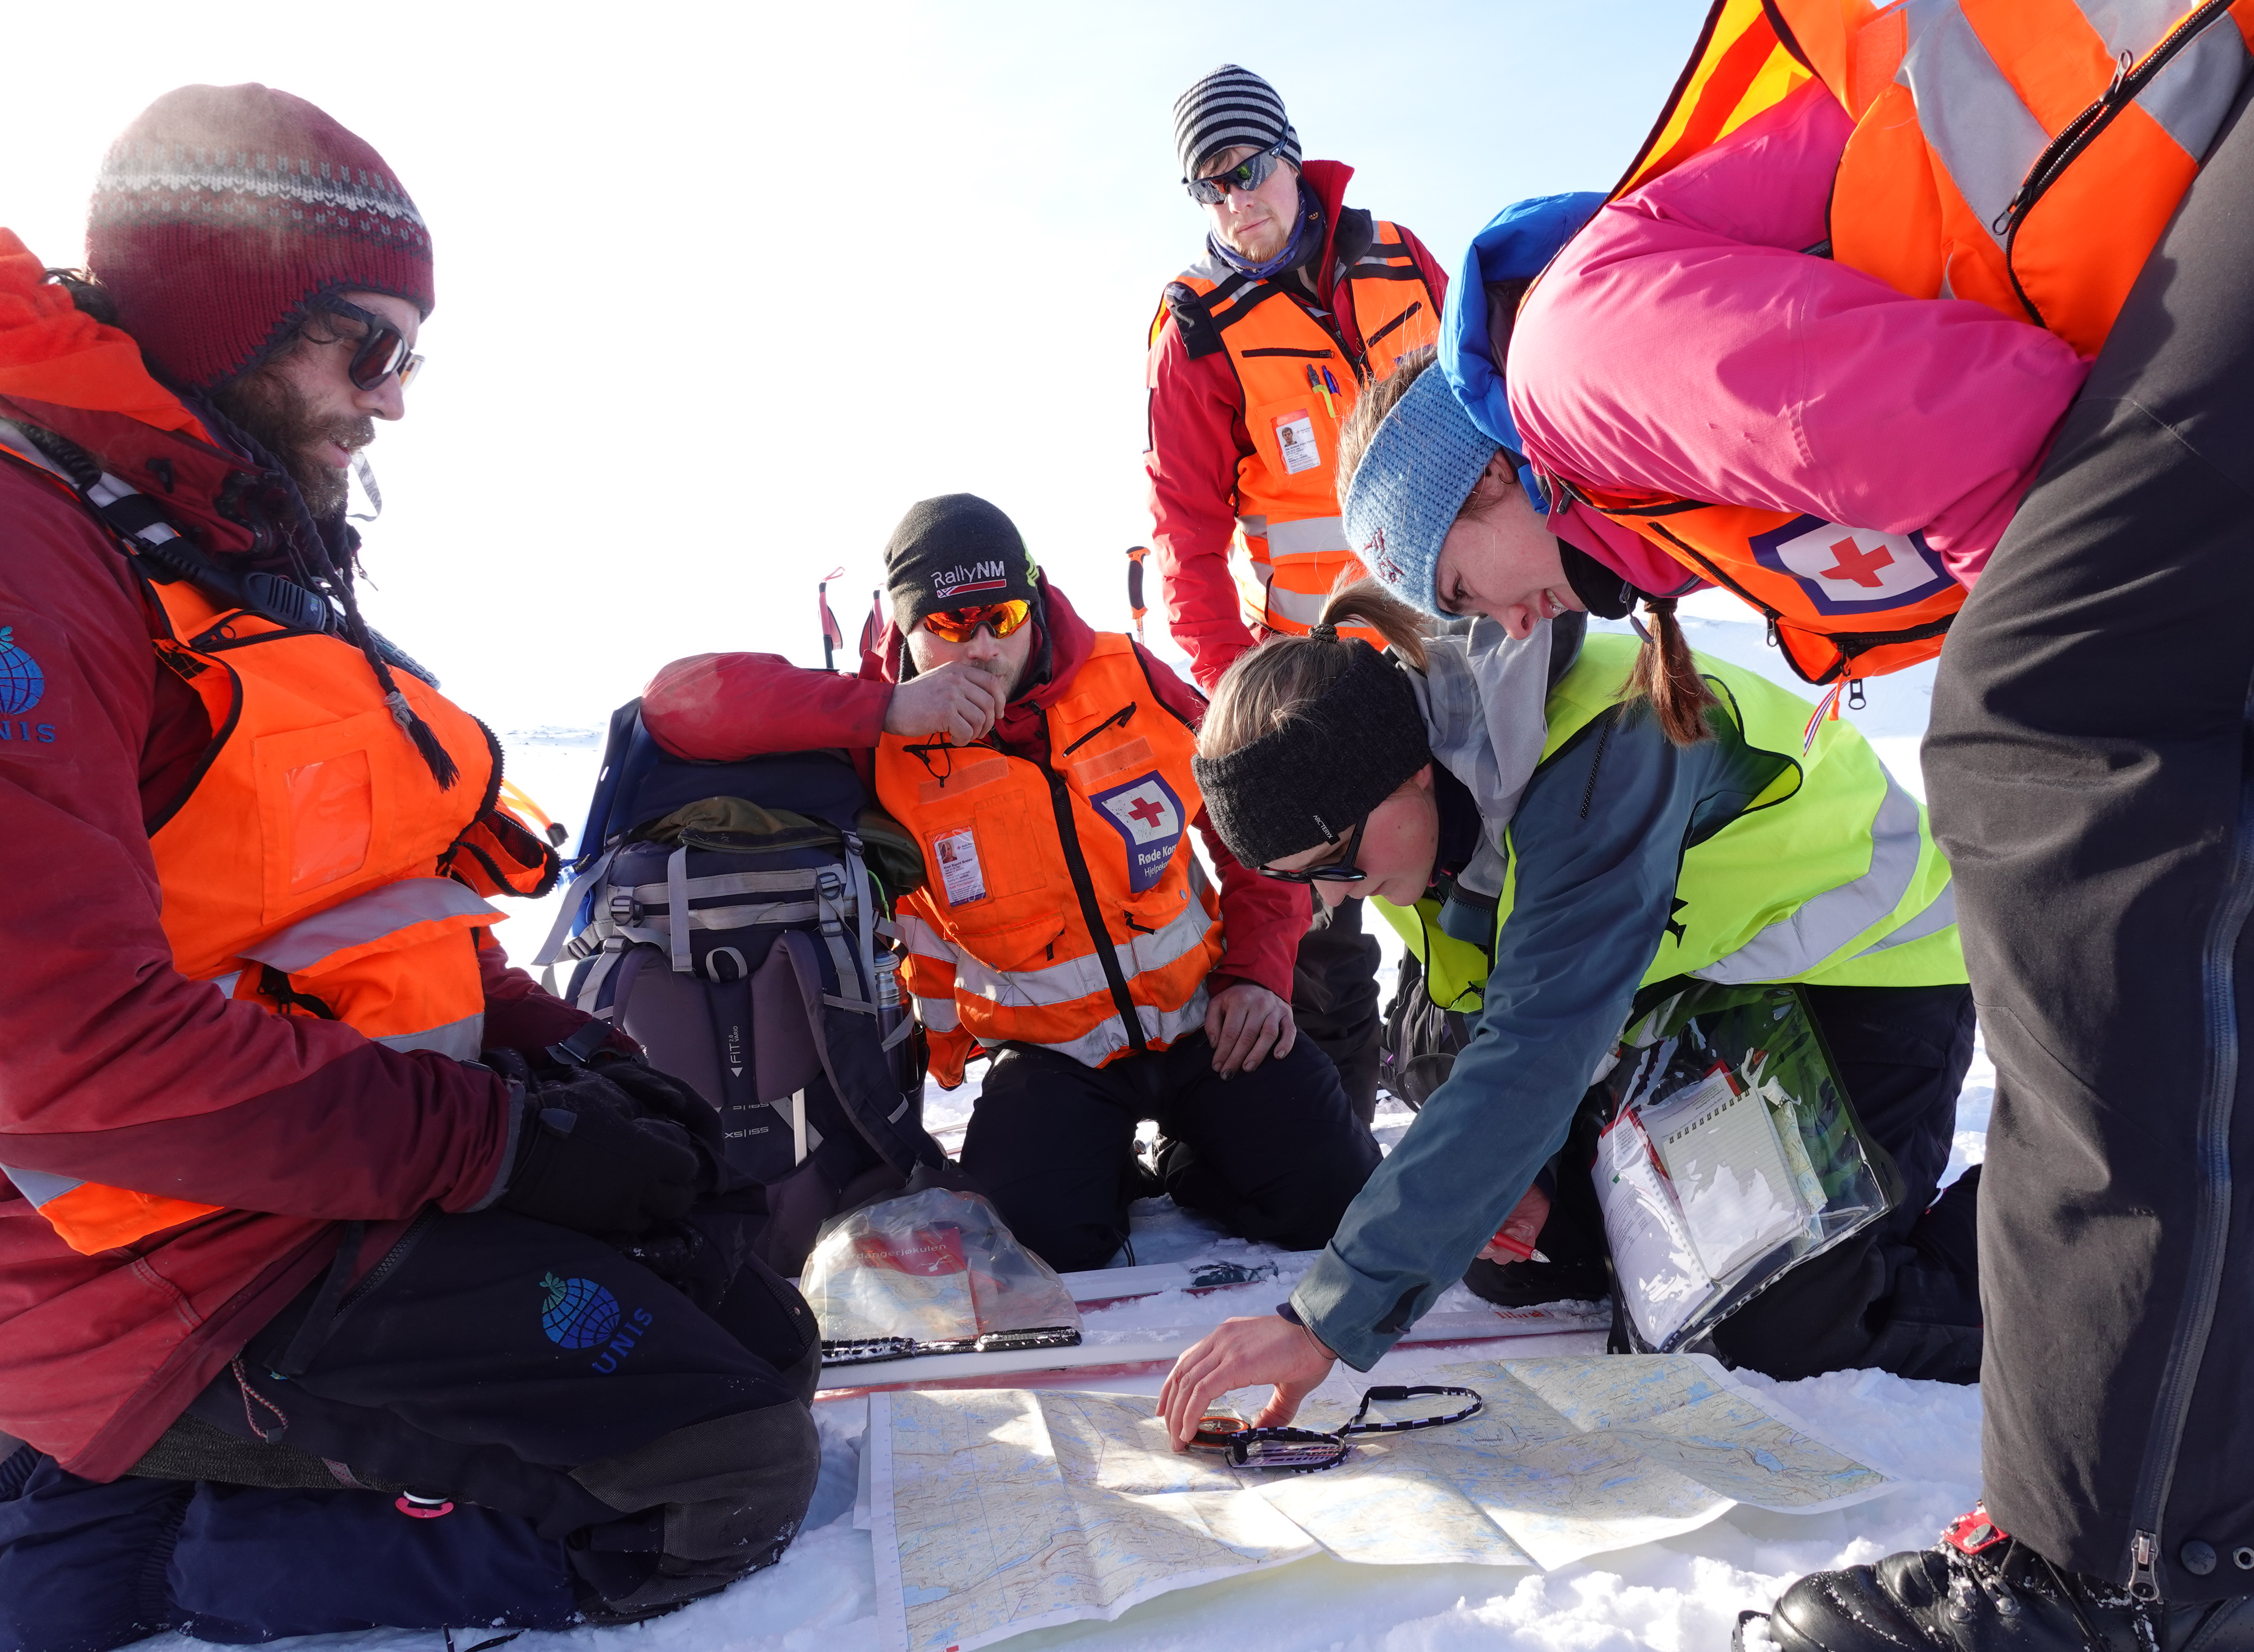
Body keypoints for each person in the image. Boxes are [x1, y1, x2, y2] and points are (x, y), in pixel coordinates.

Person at [1400, 0, 2254, 1643]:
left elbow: (2007, 432)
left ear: (1475, 489)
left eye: (1454, 595)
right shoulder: (1643, 503)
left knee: (2061, 733)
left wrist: (2204, 646)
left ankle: (2142, 1563)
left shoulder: (1566, 365)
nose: (1497, 624)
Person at [0, 86, 822, 1650]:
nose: (391, 400)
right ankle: (115, 1552)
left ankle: (118, 1483)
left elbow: (350, 915)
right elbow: (57, 1045)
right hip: (138, 1269)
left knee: (756, 1322)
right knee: (721, 1473)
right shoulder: (31, 558)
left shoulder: (212, 546)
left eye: (407, 356)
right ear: (219, 315)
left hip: (295, 1180)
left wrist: (571, 1057)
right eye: (360, 346)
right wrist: (502, 1145)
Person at [1155, 340, 1988, 1412]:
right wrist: (1534, 1186)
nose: (1343, 900)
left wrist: (1327, 1317)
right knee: (1516, 1254)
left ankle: (2092, 1234)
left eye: (1338, 867)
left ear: (1399, 778)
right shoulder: (1435, 816)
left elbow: (1539, 1045)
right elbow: (1459, 1034)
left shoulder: (1601, 741)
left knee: (1764, 1323)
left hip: (1867, 984)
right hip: (1714, 1005)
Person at [643, 494, 1382, 1273]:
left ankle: (1194, 1162)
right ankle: (1104, 1169)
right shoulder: (873, 742)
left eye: (1000, 616)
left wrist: (1259, 974)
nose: (984, 648)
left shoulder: (1130, 677)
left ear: (1033, 602)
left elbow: (1256, 831)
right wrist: (885, 708)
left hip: (1207, 1022)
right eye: (952, 626)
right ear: (905, 630)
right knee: (1040, 1250)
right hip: (1048, 1056)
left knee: (1337, 1202)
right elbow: (676, 704)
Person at [1142, 64, 1451, 1125]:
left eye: (1248, 171)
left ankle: (1491, 1117)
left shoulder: (1401, 258)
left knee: (1480, 874)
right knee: (1327, 929)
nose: (1237, 201)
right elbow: (1185, 537)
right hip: (1321, 670)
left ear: (1288, 154)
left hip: (1459, 637)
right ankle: (1341, 1151)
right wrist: (1241, 690)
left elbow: (1494, 408)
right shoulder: (1194, 330)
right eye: (1209, 188)